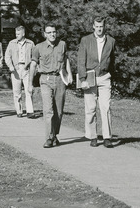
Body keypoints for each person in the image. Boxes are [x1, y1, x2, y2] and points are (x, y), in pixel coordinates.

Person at [76, 16, 117, 147]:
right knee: (91, 108)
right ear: (93, 26)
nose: (99, 29)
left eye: (101, 26)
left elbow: (113, 60)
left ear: (104, 27)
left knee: (105, 107)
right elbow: (81, 61)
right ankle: (92, 136)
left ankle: (107, 137)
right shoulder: (85, 40)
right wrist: (82, 79)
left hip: (105, 77)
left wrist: (112, 75)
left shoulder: (111, 41)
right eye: (97, 26)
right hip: (89, 77)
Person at [30, 23, 72, 148]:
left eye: (54, 32)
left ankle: (54, 135)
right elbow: (33, 65)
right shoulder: (38, 47)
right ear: (45, 34)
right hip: (45, 80)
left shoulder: (62, 44)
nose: (52, 34)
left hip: (60, 79)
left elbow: (66, 60)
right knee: (48, 110)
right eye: (49, 32)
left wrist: (69, 74)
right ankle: (49, 138)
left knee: (58, 111)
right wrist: (29, 83)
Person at [4, 25, 36, 118]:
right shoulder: (12, 43)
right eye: (16, 33)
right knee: (17, 92)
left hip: (26, 69)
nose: (16, 35)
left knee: (28, 90)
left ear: (23, 33)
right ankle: (19, 111)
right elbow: (7, 56)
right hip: (16, 70)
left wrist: (34, 69)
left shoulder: (30, 43)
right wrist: (10, 66)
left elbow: (35, 57)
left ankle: (30, 111)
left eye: (18, 34)